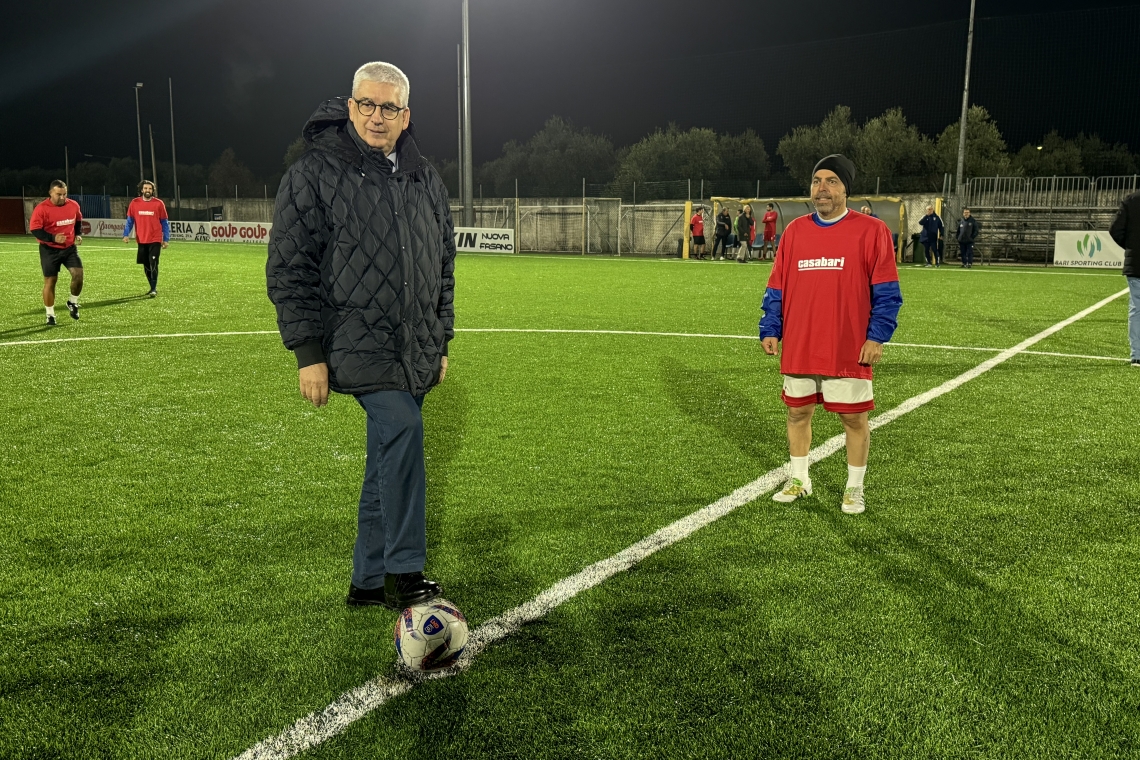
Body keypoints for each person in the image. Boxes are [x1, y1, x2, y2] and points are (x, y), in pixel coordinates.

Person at [267, 61, 456, 609]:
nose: (377, 117)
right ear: (350, 107)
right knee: (401, 431)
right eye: (367, 105)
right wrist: (307, 353)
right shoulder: (313, 173)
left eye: (389, 107)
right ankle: (407, 571)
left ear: (406, 115)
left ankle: (366, 581)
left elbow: (442, 263)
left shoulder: (425, 176)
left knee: (386, 457)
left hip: (415, 344)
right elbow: (289, 267)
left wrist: (440, 339)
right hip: (356, 341)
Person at [758, 154, 902, 515]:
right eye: (817, 181)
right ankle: (799, 479)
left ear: (846, 190)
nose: (822, 188)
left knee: (853, 418)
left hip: (848, 345)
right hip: (802, 343)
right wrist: (770, 327)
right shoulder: (795, 232)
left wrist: (877, 336)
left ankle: (854, 488)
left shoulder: (872, 231)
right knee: (797, 413)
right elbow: (776, 286)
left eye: (832, 181)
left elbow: (887, 292)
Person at [29, 180, 83, 325]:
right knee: (51, 282)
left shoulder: (73, 205)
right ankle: (50, 314)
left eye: (64, 194)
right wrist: (53, 238)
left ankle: (72, 302)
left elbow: (78, 220)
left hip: (69, 248)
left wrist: (78, 233)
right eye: (58, 194)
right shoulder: (41, 209)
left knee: (78, 275)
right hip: (49, 250)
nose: (62, 197)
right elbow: (35, 229)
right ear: (51, 193)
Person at [1108, 187, 1140, 367]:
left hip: (1135, 263)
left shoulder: (1130, 200)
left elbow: (1114, 229)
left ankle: (1137, 355)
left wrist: (1130, 247)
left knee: (1137, 309)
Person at [123, 180, 170, 297]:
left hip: (155, 238)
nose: (148, 190)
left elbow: (164, 222)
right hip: (142, 239)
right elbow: (130, 221)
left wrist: (166, 239)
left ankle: (154, 289)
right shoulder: (134, 203)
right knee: (146, 265)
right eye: (145, 188)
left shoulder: (159, 204)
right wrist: (126, 234)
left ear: (153, 190)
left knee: (153, 262)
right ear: (141, 190)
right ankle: (151, 286)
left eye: (150, 188)